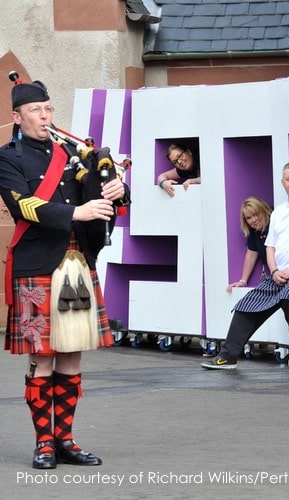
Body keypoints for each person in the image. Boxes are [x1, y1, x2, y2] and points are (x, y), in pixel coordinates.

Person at [0, 78, 130, 469]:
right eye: (36, 111)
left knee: (71, 356)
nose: (45, 116)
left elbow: (106, 194)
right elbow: (22, 205)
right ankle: (44, 444)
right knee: (43, 358)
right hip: (37, 264)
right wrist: (77, 212)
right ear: (16, 116)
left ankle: (66, 440)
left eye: (49, 109)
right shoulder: (8, 158)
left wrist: (117, 188)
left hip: (76, 262)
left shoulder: (74, 152)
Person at [202, 162, 289, 370]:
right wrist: (276, 271)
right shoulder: (278, 212)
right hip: (277, 275)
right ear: (282, 182)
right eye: (288, 179)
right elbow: (269, 247)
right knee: (245, 305)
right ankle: (227, 356)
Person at [226, 196, 273, 291]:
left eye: (256, 214)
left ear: (263, 210)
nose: (253, 220)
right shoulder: (254, 232)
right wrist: (243, 281)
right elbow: (251, 255)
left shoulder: (275, 223)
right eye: (249, 218)